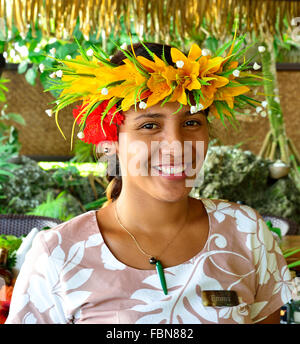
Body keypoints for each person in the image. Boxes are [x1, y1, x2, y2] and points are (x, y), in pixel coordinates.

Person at [5, 40, 293, 324]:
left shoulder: (246, 233)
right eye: (149, 125)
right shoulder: (58, 254)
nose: (176, 145)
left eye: (191, 123)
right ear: (111, 142)